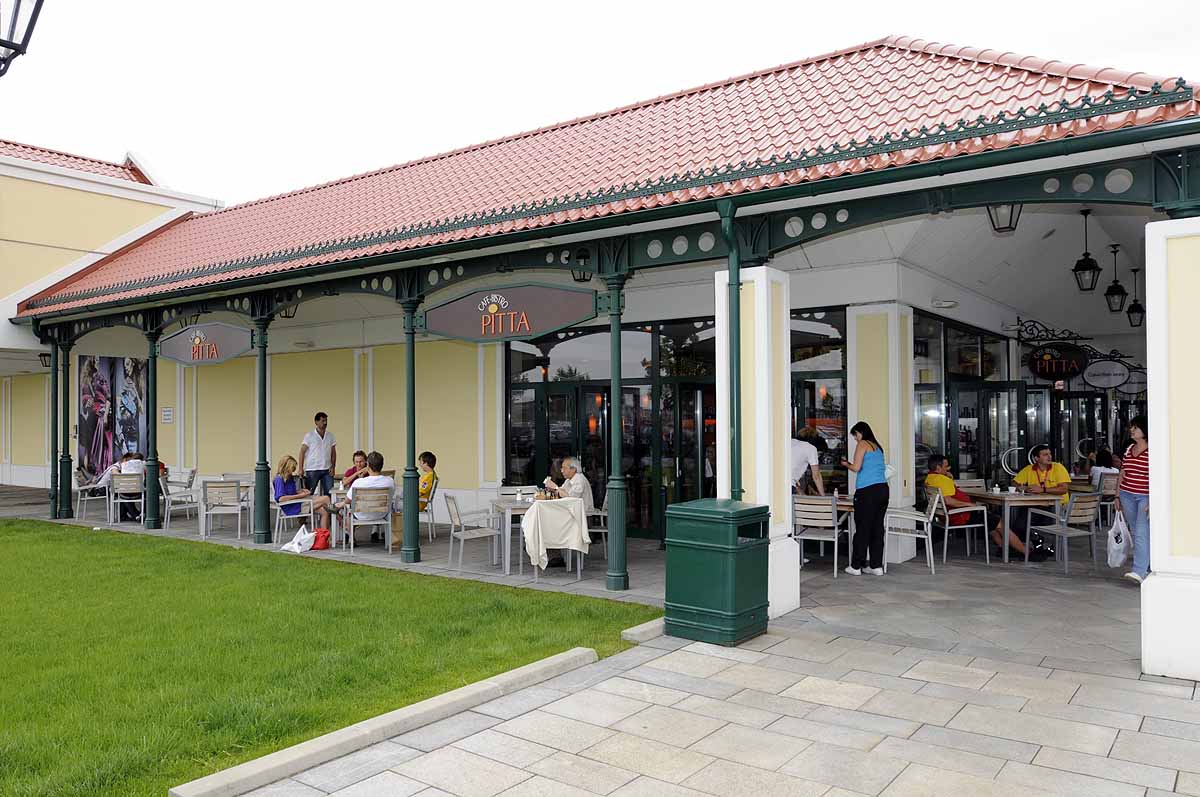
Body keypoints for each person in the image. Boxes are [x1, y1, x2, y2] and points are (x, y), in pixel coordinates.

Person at [1003, 444, 1070, 561]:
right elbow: (1014, 483)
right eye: (1045, 455)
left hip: (1056, 507)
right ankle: (1026, 544)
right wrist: (1025, 488)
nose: (1049, 457)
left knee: (1022, 521)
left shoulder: (1058, 467)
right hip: (1035, 505)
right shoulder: (1029, 469)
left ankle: (1034, 543)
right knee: (1017, 519)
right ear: (1036, 458)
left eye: (1049, 454)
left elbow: (1063, 489)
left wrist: (1042, 489)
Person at [841, 421, 888, 576]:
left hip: (867, 492)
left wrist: (846, 464)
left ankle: (856, 566)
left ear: (860, 432)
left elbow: (856, 467)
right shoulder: (878, 447)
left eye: (855, 435)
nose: (855, 439)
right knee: (877, 528)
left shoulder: (862, 444)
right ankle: (876, 566)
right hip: (883, 490)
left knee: (862, 528)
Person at [332, 450, 397, 542]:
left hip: (361, 514)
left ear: (368, 465)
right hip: (381, 514)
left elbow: (347, 500)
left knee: (344, 508)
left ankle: (349, 536)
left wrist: (342, 504)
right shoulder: (390, 481)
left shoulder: (358, 482)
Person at [1117, 415, 1149, 584]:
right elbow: (1122, 473)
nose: (1132, 430)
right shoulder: (1129, 449)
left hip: (1145, 496)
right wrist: (1117, 496)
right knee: (1137, 531)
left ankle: (1139, 571)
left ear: (1145, 430)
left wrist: (1153, 500)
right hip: (1126, 494)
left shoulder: (1152, 451)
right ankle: (1148, 565)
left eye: (1136, 427)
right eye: (1132, 427)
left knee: (1142, 533)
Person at [924, 454, 985, 529]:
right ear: (938, 468)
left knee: (990, 521)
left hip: (944, 517)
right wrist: (969, 504)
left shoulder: (929, 479)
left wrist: (949, 479)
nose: (948, 469)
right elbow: (948, 501)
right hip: (959, 516)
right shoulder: (944, 480)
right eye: (946, 466)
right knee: (992, 519)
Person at [273, 454, 332, 529]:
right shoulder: (279, 479)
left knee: (324, 511)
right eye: (292, 469)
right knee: (326, 499)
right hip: (293, 507)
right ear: (286, 468)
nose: (293, 471)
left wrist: (301, 491)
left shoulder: (288, 478)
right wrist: (300, 495)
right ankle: (340, 520)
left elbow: (290, 492)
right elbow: (281, 498)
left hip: (297, 503)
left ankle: (325, 534)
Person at [298, 411, 337, 497]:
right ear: (316, 422)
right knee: (308, 493)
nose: (325, 423)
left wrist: (333, 467)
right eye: (322, 421)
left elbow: (333, 453)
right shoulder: (309, 436)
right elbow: (302, 452)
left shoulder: (330, 436)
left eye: (326, 421)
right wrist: (300, 468)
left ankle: (328, 506)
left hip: (327, 469)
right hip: (312, 469)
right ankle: (308, 506)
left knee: (329, 493)